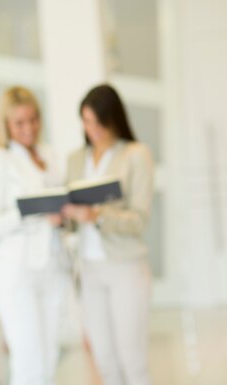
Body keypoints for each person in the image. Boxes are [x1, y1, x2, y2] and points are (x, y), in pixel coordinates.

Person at [0, 86, 69, 385]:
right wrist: (32, 211)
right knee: (28, 361)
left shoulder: (51, 155)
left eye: (33, 119)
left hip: (54, 266)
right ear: (6, 125)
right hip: (17, 272)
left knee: (50, 358)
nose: (29, 128)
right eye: (20, 123)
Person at [62, 84, 153, 385]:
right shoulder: (77, 159)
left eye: (99, 122)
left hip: (125, 266)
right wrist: (66, 216)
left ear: (114, 118)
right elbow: (71, 214)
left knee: (132, 358)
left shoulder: (135, 155)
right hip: (88, 270)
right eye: (86, 122)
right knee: (105, 359)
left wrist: (98, 216)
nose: (93, 129)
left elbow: (138, 220)